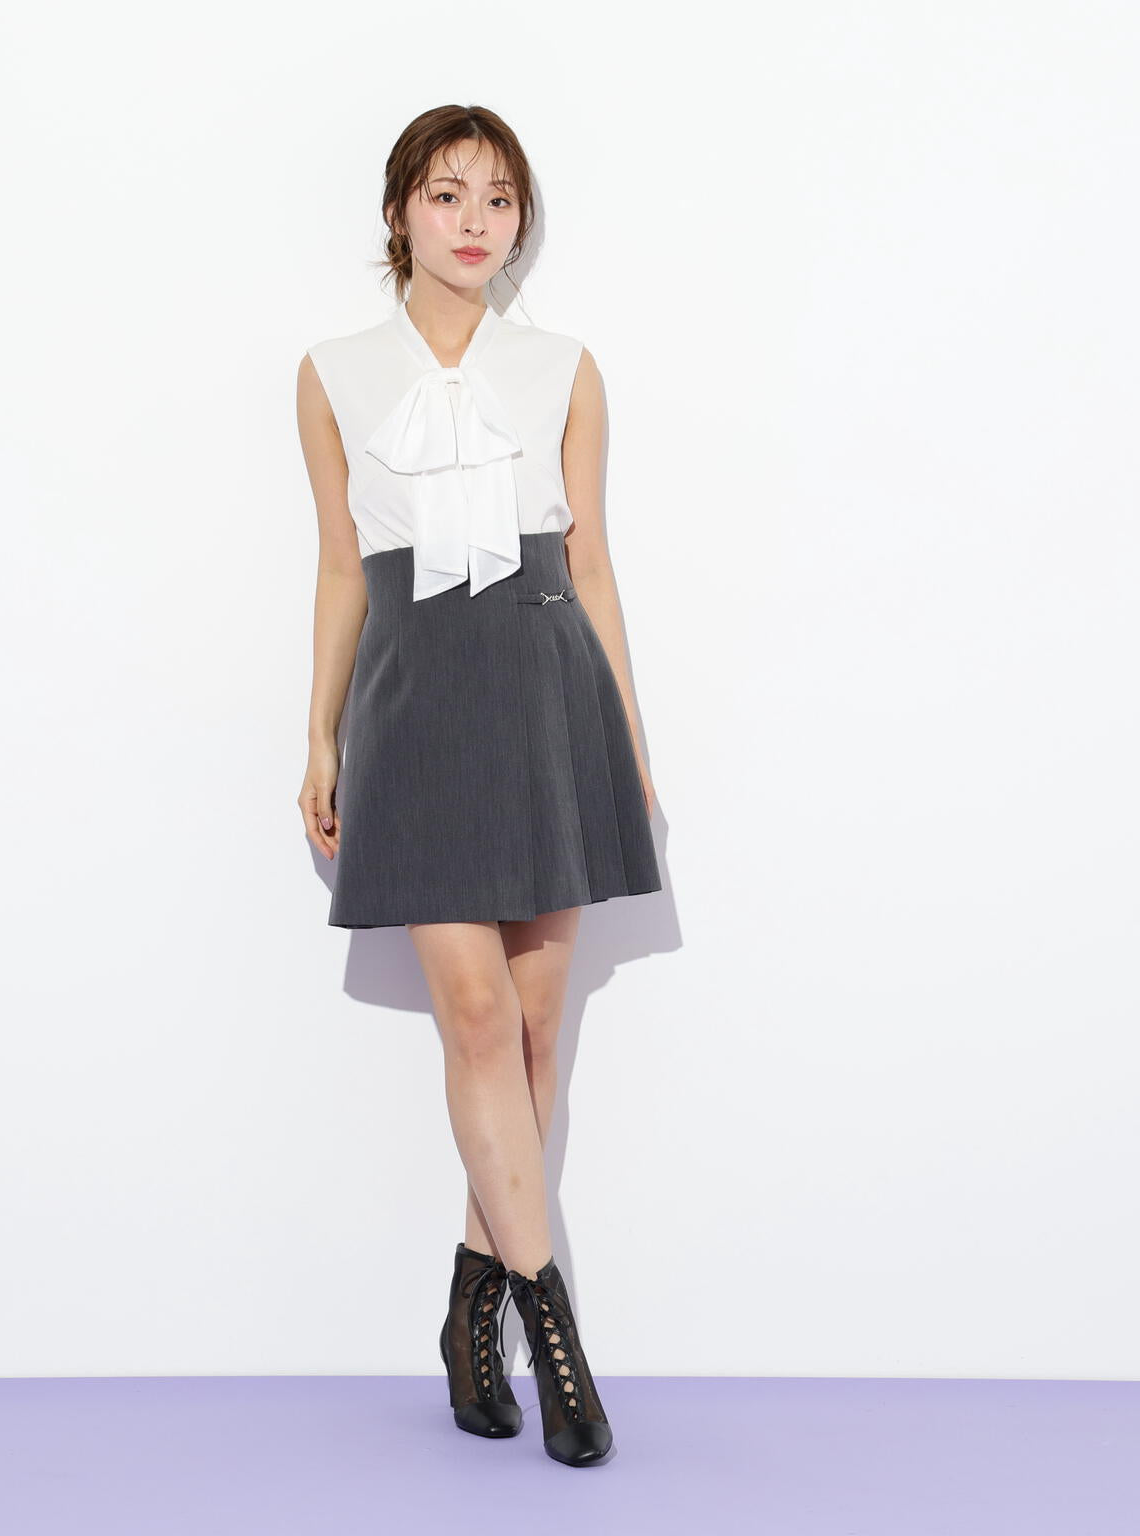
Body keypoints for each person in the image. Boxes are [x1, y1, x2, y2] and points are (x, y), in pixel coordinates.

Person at [295, 104, 662, 1469]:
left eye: (498, 199)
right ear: (400, 210)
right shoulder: (333, 372)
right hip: (414, 701)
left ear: (521, 223)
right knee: (474, 1012)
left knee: (537, 1027)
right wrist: (321, 736)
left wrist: (628, 742)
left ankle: (469, 1312)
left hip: (548, 690)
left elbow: (595, 563)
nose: (472, 221)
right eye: (446, 194)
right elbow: (342, 567)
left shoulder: (562, 366)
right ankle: (555, 1339)